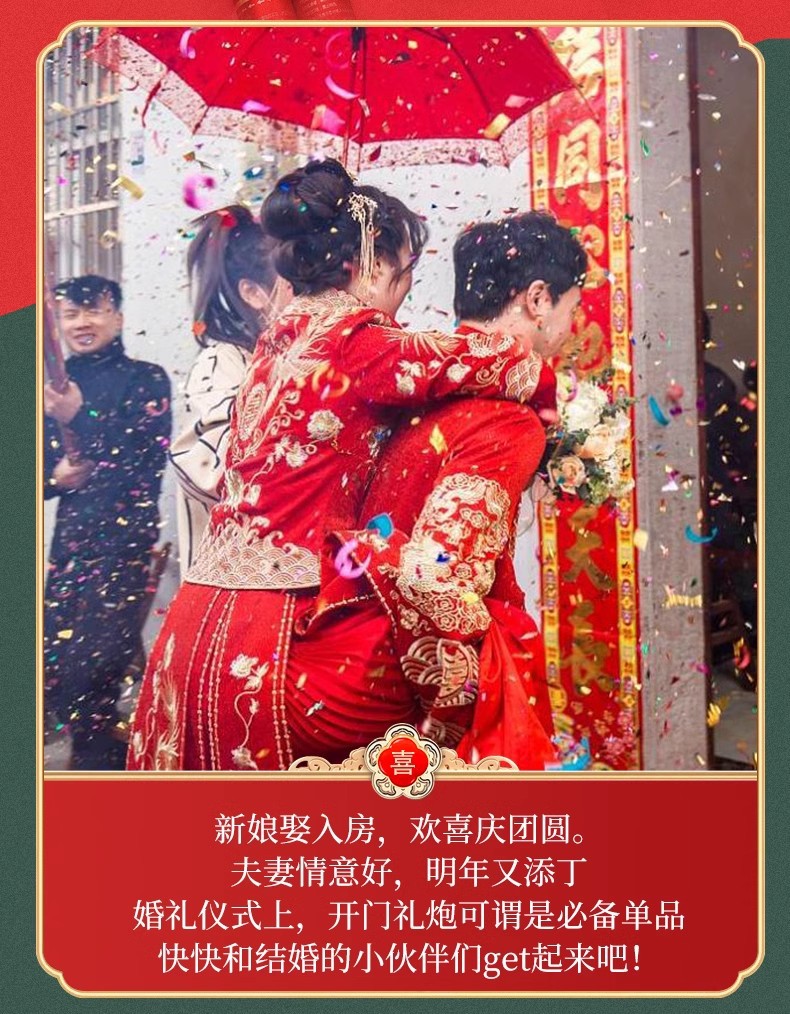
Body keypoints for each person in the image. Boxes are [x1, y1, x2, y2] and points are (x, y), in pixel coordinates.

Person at [127, 159, 553, 771]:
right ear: (370, 265)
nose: (404, 294)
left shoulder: (274, 340)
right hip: (276, 636)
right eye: (404, 274)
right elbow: (503, 363)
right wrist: (548, 404)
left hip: (192, 626)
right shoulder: (359, 342)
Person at [309, 213, 585, 767]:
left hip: (343, 644)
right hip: (408, 689)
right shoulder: (507, 419)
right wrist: (451, 716)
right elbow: (435, 576)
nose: (571, 325)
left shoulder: (410, 389)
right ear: (538, 298)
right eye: (572, 308)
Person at [44, 275, 171, 769]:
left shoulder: (146, 379)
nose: (82, 322)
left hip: (123, 548)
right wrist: (53, 477)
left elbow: (146, 460)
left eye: (93, 310)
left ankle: (99, 777)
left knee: (96, 673)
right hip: (69, 548)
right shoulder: (52, 386)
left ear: (117, 317)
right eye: (71, 314)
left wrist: (81, 415)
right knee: (58, 672)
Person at [169, 205, 290, 575]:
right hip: (229, 585)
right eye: (294, 283)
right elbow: (217, 473)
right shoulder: (220, 364)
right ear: (253, 292)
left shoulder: (280, 358)